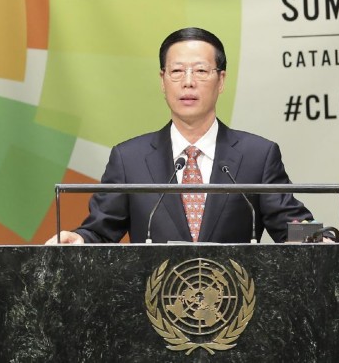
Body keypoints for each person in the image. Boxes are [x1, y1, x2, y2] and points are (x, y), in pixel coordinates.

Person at [46, 27, 313, 245]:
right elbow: (100, 232)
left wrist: (318, 237)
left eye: (200, 71)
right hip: (154, 306)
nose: (188, 82)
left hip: (234, 304)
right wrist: (79, 239)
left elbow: (291, 225)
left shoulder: (258, 155)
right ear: (163, 81)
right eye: (176, 71)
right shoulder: (130, 159)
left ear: (221, 81)